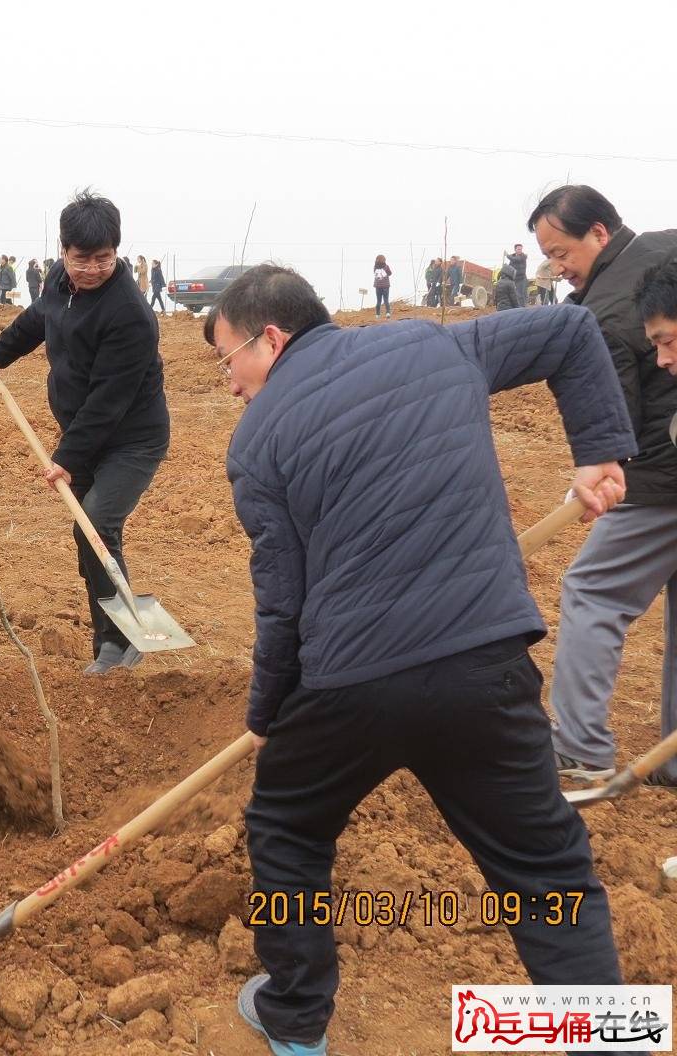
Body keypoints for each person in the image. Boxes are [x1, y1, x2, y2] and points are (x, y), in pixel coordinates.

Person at [206, 263, 635, 1056]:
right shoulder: (434, 346)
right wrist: (600, 449)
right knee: (547, 876)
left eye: (226, 360)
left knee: (285, 827)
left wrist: (268, 717)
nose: (230, 385)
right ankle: (601, 1040)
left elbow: (283, 606)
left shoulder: (255, 444)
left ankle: (295, 1020)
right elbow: (570, 331)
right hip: (486, 665)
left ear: (270, 338)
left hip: (351, 686)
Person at [0, 192, 168, 675]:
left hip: (130, 438)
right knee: (90, 534)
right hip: (84, 432)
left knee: (96, 523)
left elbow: (109, 400)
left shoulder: (130, 314)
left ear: (116, 252)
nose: (92, 269)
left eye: (104, 258)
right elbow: (38, 319)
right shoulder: (61, 282)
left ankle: (122, 641)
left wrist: (67, 455)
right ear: (63, 251)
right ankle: (112, 641)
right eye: (82, 258)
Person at [529, 186, 677, 787]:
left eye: (562, 252)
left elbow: (613, 418)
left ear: (598, 232)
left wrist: (599, 473)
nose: (558, 268)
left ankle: (581, 746)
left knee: (593, 590)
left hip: (658, 481)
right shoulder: (666, 246)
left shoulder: (605, 315)